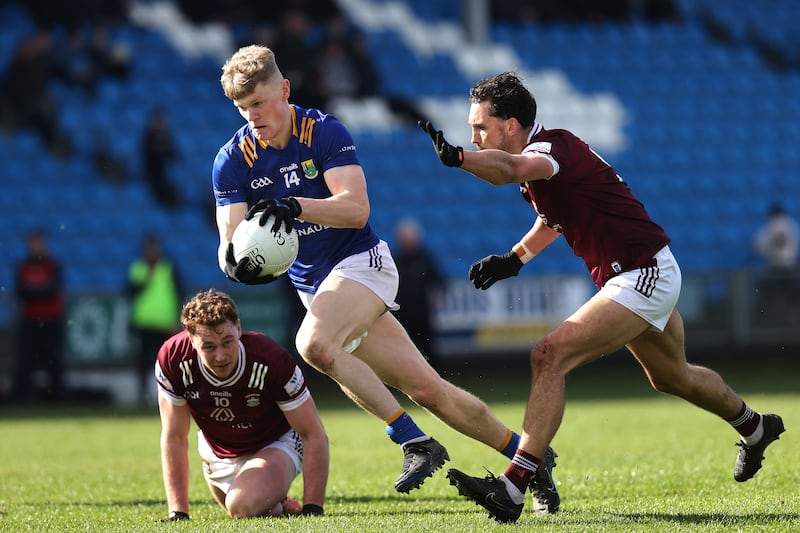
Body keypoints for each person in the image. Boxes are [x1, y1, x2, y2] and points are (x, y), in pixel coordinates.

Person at [418, 72, 785, 523]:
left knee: (548, 355)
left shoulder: (548, 151)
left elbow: (509, 170)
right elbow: (553, 218)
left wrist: (459, 158)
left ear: (510, 126)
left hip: (642, 273)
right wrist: (514, 259)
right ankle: (756, 427)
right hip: (643, 272)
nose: (474, 136)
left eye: (480, 127)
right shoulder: (546, 157)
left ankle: (512, 487)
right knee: (673, 377)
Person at [212, 45, 559, 511]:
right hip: (320, 290)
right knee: (430, 391)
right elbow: (230, 240)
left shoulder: (323, 131)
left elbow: (356, 209)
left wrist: (295, 206)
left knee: (313, 344)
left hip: (363, 265)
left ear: (285, 89)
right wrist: (235, 264)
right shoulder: (232, 160)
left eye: (258, 102)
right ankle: (531, 460)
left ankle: (412, 440)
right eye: (242, 108)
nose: (252, 116)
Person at [156, 289, 328, 520]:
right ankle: (278, 502)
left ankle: (268, 491)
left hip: (275, 443)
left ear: (238, 328)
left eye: (227, 342)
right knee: (242, 508)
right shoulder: (173, 359)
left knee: (240, 504)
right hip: (217, 450)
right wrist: (178, 512)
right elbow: (174, 436)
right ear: (191, 339)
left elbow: (313, 432)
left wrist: (313, 508)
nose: (220, 356)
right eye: (209, 347)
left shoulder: (269, 359)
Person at [128, 234, 183, 402]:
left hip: (165, 324)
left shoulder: (168, 268)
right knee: (143, 362)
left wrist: (176, 320)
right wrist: (146, 279)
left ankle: (170, 394)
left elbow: (179, 293)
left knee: (167, 362)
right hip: (144, 323)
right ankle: (143, 395)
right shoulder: (137, 268)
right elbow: (130, 292)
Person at [12, 228, 65, 403]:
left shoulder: (53, 265)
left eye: (39, 243)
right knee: (25, 361)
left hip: (50, 320)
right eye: (33, 243)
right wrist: (40, 290)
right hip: (30, 321)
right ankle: (21, 398)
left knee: (53, 361)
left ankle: (56, 398)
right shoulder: (23, 267)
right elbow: (21, 292)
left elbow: (52, 289)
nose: (36, 246)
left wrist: (33, 291)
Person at [392, 218, 445, 374]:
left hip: (422, 314)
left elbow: (439, 281)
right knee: (403, 350)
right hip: (402, 315)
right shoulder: (396, 260)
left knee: (428, 349)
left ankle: (437, 379)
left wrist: (437, 296)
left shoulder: (425, 259)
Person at [752, 202, 800, 324]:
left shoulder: (775, 226)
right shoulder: (789, 226)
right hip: (782, 267)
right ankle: (783, 318)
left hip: (781, 267)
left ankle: (776, 318)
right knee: (784, 295)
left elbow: (758, 246)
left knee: (781, 295)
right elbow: (758, 246)